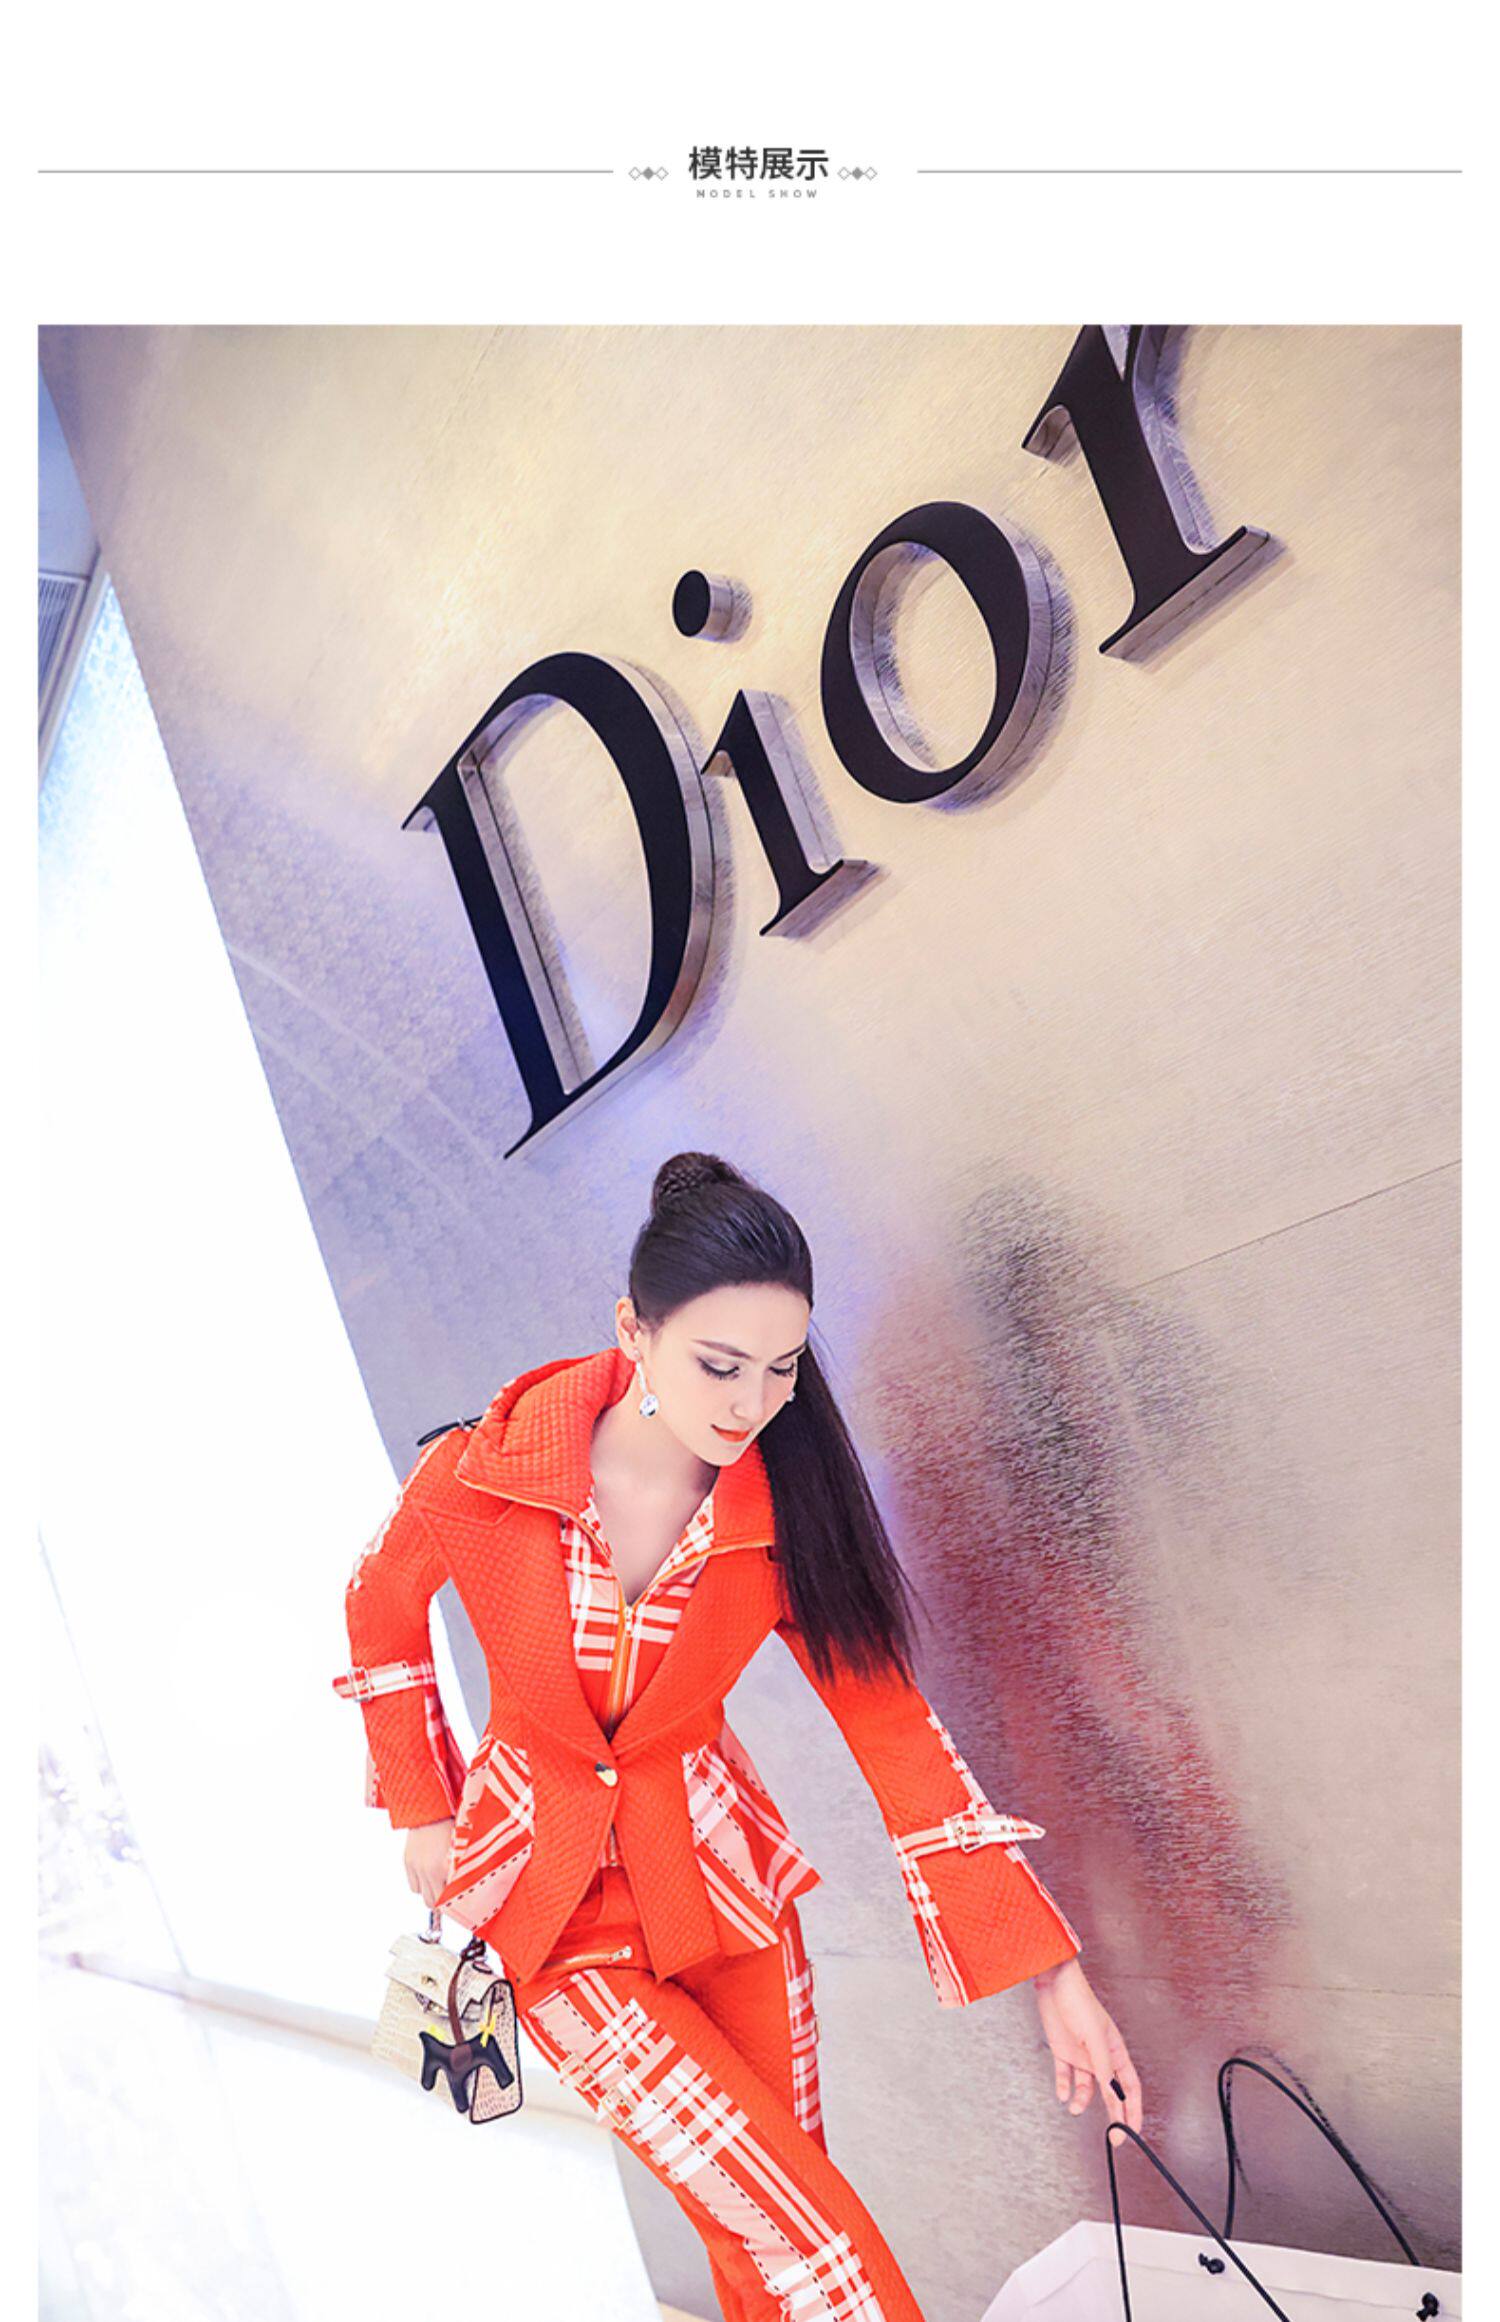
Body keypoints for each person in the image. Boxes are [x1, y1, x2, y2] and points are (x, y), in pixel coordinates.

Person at [335, 1150, 1143, 2322]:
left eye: (781, 1368)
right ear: (634, 1329)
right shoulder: (481, 1472)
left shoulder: (782, 1514)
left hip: (729, 1899)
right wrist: (420, 1803)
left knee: (760, 2230)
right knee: (809, 2243)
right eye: (719, 1364)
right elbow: (376, 1605)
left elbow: (892, 1727)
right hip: (554, 1918)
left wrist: (1051, 1971)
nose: (750, 1402)